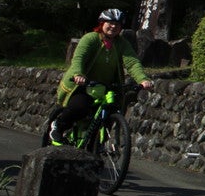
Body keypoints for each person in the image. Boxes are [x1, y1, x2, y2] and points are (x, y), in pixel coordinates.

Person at [51, 8, 153, 145]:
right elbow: (79, 58)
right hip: (83, 84)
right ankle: (58, 126)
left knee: (112, 111)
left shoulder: (121, 43)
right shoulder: (91, 38)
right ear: (102, 23)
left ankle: (96, 146)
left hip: (106, 86)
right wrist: (78, 75)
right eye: (110, 23)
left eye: (117, 24)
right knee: (80, 106)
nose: (113, 27)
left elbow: (132, 62)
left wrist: (143, 79)